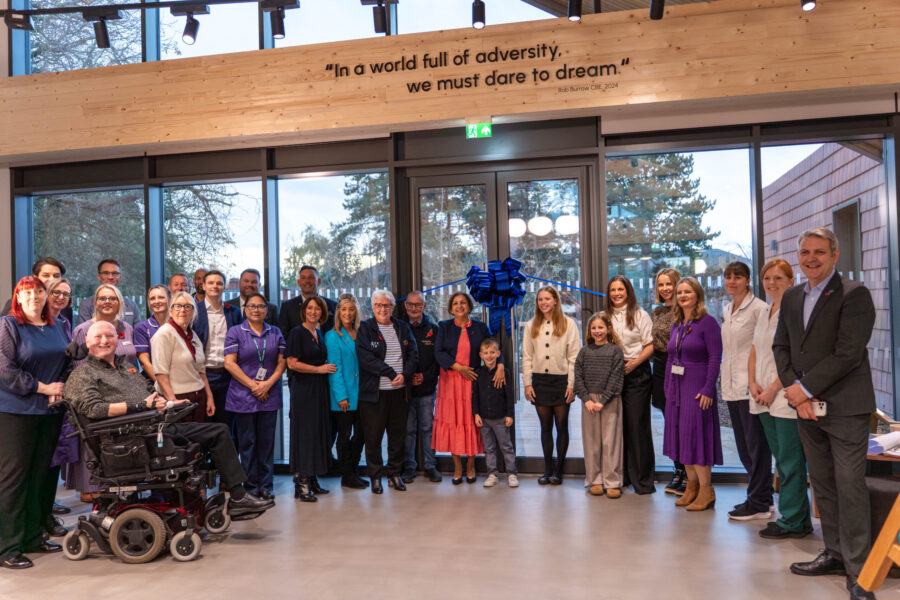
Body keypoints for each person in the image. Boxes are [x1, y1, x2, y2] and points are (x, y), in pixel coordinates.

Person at [65, 321, 273, 518]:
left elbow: (150, 395)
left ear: (117, 340)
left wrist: (169, 403)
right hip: (128, 439)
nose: (104, 341)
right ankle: (234, 497)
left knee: (218, 430)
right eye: (98, 337)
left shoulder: (126, 368)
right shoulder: (83, 374)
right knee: (210, 434)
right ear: (88, 343)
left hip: (153, 428)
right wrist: (140, 406)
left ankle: (237, 497)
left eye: (109, 336)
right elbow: (94, 409)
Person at [773, 227, 877, 600]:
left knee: (849, 487)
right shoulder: (792, 296)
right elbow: (781, 346)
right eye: (805, 252)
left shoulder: (854, 294)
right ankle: (834, 552)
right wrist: (796, 394)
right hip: (807, 409)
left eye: (819, 252)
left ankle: (860, 569)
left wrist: (804, 388)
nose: (811, 258)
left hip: (845, 408)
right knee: (824, 484)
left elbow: (848, 353)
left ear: (835, 255)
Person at [0, 276, 69, 569]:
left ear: (46, 295)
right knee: (13, 481)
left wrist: (61, 386)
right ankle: (7, 548)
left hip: (50, 413)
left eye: (38, 292)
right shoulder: (8, 326)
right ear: (18, 297)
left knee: (39, 477)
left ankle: (32, 538)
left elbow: (66, 363)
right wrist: (45, 388)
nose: (33, 297)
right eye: (26, 293)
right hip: (16, 412)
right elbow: (5, 369)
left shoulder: (58, 325)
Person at [748, 259, 812, 539]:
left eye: (778, 278)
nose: (772, 283)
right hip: (761, 396)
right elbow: (755, 350)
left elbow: (796, 358)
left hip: (783, 395)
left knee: (790, 461)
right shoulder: (765, 311)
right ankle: (793, 516)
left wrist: (773, 388)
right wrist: (752, 383)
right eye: (767, 278)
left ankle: (794, 521)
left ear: (790, 279)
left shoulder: (794, 310)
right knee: (781, 459)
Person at [68, 283, 138, 501]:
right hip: (98, 398)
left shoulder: (127, 327)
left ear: (120, 303)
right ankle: (90, 487)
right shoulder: (84, 330)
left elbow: (131, 361)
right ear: (95, 302)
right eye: (102, 298)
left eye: (112, 298)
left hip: (124, 395)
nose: (107, 302)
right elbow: (79, 369)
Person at [664, 277, 723, 512]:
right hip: (677, 389)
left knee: (697, 437)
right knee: (681, 438)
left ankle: (706, 490)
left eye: (687, 291)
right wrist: (668, 387)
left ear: (697, 294)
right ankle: (692, 487)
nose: (683, 295)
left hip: (698, 387)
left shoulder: (708, 323)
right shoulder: (677, 324)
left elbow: (716, 357)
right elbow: (670, 357)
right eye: (680, 292)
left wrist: (709, 388)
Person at [720, 261, 773, 522]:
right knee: (743, 447)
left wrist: (753, 381)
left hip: (751, 386)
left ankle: (760, 502)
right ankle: (759, 497)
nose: (732, 281)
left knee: (756, 447)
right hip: (731, 387)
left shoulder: (760, 309)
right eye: (728, 277)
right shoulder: (727, 308)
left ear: (748, 280)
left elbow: (762, 349)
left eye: (737, 277)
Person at [433, 292, 502, 484]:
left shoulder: (480, 328)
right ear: (451, 308)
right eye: (455, 303)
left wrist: (501, 365)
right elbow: (438, 352)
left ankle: (470, 467)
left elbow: (494, 347)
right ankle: (457, 468)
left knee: (471, 423)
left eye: (463, 302)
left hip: (472, 381)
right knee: (454, 423)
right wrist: (458, 367)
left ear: (469, 306)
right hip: (450, 383)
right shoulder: (444, 327)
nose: (459, 306)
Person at [223, 292, 286, 501]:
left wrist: (267, 384)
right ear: (245, 309)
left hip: (269, 394)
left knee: (266, 443)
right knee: (247, 443)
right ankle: (250, 486)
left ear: (267, 310)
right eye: (251, 306)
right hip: (243, 396)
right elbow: (229, 363)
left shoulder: (275, 332)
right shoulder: (235, 332)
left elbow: (281, 363)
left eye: (260, 306)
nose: (256, 310)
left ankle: (266, 485)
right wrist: (253, 385)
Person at [356, 290, 418, 494]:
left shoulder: (402, 327)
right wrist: (391, 373)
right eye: (379, 305)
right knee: (373, 437)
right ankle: (375, 476)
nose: (383, 309)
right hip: (374, 394)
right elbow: (366, 359)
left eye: (387, 305)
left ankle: (394, 474)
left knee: (397, 436)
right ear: (373, 308)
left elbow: (413, 354)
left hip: (400, 392)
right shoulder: (365, 328)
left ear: (392, 307)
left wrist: (405, 375)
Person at [522, 286, 581, 485]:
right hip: (540, 381)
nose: (543, 302)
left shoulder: (568, 324)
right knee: (545, 427)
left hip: (562, 381)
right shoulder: (531, 325)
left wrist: (572, 384)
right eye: (540, 299)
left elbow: (574, 357)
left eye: (547, 298)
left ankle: (559, 470)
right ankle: (547, 469)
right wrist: (527, 384)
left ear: (555, 300)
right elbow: (527, 357)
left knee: (561, 426)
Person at [606, 275, 655, 494]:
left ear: (628, 292)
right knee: (617, 427)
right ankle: (622, 476)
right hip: (614, 374)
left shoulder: (640, 314)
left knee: (637, 426)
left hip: (638, 373)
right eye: (613, 290)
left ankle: (642, 480)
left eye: (620, 289)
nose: (616, 293)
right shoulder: (606, 317)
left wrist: (634, 364)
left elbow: (650, 345)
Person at [285, 296, 335, 502]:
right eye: (310, 308)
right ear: (304, 311)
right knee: (305, 434)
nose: (313, 312)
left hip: (319, 389)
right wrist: (318, 369)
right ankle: (302, 482)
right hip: (304, 389)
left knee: (316, 433)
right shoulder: (297, 333)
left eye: (317, 309)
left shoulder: (319, 333)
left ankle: (312, 478)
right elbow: (292, 363)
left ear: (322, 313)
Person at [574, 312, 625, 499]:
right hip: (589, 402)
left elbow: (616, 378)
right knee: (592, 442)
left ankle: (613, 481)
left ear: (608, 329)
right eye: (594, 328)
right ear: (589, 331)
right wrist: (587, 399)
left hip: (610, 400)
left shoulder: (615, 351)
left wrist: (602, 401)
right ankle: (594, 480)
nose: (597, 331)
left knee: (611, 441)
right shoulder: (584, 351)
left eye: (601, 327)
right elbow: (578, 377)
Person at [324, 295, 369, 490]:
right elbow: (335, 369)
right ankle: (347, 475)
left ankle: (352, 469)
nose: (348, 313)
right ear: (338, 313)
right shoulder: (333, 336)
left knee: (361, 434)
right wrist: (341, 395)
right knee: (344, 435)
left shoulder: (362, 333)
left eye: (351, 309)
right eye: (344, 310)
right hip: (344, 395)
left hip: (364, 394)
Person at [150, 291, 215, 423]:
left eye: (187, 306)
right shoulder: (164, 334)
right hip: (178, 399)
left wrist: (209, 397)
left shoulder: (192, 335)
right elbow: (160, 374)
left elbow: (201, 371)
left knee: (199, 442)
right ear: (171, 309)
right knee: (182, 442)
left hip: (198, 396)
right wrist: (173, 401)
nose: (182, 310)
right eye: (178, 306)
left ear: (193, 311)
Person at [44, 277, 76, 534]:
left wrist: (61, 385)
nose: (61, 297)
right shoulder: (22, 324)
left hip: (58, 401)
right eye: (55, 292)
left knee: (52, 466)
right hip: (33, 399)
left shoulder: (64, 324)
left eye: (66, 294)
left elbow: (67, 363)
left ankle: (46, 518)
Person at [400, 291, 442, 483]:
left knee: (427, 428)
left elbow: (438, 359)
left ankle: (430, 466)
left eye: (418, 305)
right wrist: (408, 378)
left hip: (426, 388)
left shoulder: (433, 329)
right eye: (411, 305)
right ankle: (409, 467)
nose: (414, 309)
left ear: (424, 307)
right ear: (405, 306)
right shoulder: (398, 328)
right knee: (408, 430)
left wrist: (424, 376)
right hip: (405, 389)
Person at [193, 270, 242, 431]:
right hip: (203, 376)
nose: (215, 286)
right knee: (205, 424)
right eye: (211, 283)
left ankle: (226, 456)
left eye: (219, 283)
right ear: (204, 286)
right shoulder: (194, 311)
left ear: (224, 287)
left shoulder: (233, 312)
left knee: (227, 425)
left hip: (228, 376)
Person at [651, 268, 685, 495]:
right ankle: (678, 471)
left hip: (683, 368)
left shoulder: (687, 311)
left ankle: (689, 474)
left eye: (669, 284)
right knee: (670, 423)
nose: (665, 289)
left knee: (683, 422)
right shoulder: (656, 313)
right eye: (661, 284)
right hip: (661, 366)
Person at [472, 338, 517, 488]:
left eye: (492, 352)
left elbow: (509, 395)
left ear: (498, 353)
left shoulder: (505, 373)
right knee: (489, 448)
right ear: (480, 355)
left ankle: (512, 474)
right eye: (486, 353)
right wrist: (476, 413)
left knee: (506, 447)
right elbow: (475, 395)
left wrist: (509, 414)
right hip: (484, 418)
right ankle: (492, 474)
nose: (489, 356)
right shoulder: (478, 373)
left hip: (500, 418)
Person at [1, 257, 72, 323]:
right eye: (46, 275)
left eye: (56, 276)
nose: (52, 279)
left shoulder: (63, 305)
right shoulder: (22, 301)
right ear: (35, 278)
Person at [278, 265, 337, 339]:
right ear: (299, 282)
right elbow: (283, 336)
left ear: (319, 281)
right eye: (303, 278)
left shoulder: (333, 305)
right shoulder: (287, 307)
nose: (307, 281)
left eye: (311, 277)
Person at [76, 259, 139, 327]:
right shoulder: (86, 305)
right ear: (98, 276)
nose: (110, 277)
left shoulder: (131, 305)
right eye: (106, 273)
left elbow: (137, 334)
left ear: (120, 277)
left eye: (114, 273)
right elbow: (84, 333)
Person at [134, 284, 170, 382]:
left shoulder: (178, 325)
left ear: (170, 300)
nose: (157, 301)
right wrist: (163, 385)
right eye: (152, 299)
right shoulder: (142, 328)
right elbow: (144, 362)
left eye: (161, 297)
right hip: (154, 380)